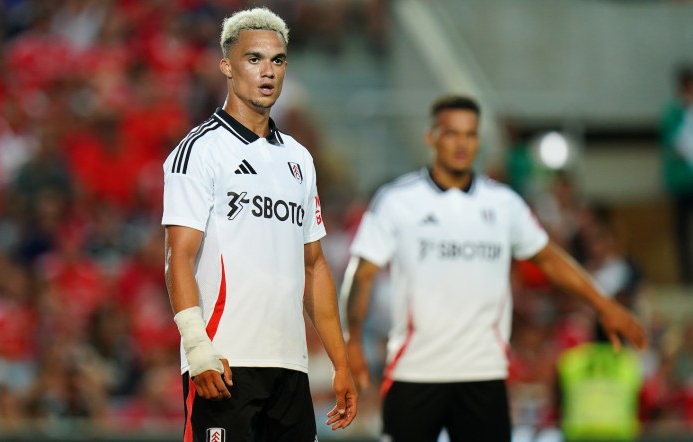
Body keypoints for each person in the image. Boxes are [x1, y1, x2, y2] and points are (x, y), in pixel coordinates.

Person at [342, 95, 647, 442]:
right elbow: (362, 273)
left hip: (483, 373)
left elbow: (547, 258)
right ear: (431, 137)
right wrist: (351, 343)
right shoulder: (397, 201)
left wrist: (604, 305)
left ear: (479, 140)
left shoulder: (503, 205)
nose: (462, 143)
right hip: (416, 371)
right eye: (452, 133)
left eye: (470, 134)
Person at [162, 8, 357, 441]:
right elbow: (179, 257)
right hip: (225, 363)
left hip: (290, 367)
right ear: (227, 66)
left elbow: (315, 266)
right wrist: (198, 348)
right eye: (254, 59)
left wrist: (340, 363)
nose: (268, 71)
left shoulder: (299, 160)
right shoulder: (199, 151)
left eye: (278, 60)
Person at [660, 66, 693, 285]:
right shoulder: (672, 113)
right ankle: (686, 277)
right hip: (682, 183)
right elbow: (676, 144)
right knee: (681, 232)